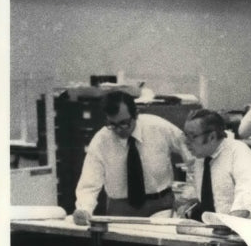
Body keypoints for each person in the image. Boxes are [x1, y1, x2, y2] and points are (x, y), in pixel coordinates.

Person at [72, 91, 189, 225]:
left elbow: (193, 155)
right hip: (120, 209)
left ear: (136, 114)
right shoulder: (101, 140)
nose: (118, 130)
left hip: (161, 206)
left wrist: (189, 194)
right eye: (112, 124)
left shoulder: (158, 127)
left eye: (124, 123)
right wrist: (84, 210)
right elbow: (89, 183)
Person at [179, 108, 251, 221]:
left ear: (212, 137)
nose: (186, 142)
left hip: (246, 227)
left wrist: (226, 227)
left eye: (192, 136)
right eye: (185, 135)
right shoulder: (201, 157)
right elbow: (206, 195)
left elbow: (246, 199)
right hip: (218, 226)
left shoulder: (239, 153)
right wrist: (189, 205)